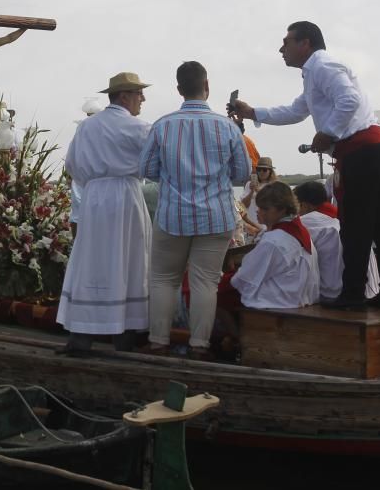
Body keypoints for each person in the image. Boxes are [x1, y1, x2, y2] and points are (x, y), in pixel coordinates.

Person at [230, 21, 380, 310]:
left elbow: (349, 100)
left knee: (356, 225)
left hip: (360, 150)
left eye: (287, 42)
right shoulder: (316, 73)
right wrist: (253, 112)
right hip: (375, 147)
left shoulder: (322, 67)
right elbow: (295, 111)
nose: (281, 49)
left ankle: (353, 295)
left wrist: (328, 132)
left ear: (305, 43)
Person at [140, 61, 251, 360]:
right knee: (205, 282)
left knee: (164, 279)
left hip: (172, 215)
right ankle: (200, 346)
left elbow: (148, 169)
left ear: (179, 89)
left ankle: (159, 342)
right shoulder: (227, 127)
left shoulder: (162, 125)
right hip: (216, 216)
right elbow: (242, 174)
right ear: (207, 86)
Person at [57, 72, 152, 355]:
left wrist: (95, 181)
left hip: (95, 198)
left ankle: (81, 337)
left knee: (92, 260)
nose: (142, 99)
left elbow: (72, 165)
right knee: (129, 259)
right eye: (138, 94)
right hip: (126, 197)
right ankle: (125, 335)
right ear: (124, 96)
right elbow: (154, 163)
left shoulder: (86, 128)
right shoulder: (139, 127)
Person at [230, 182, 320, 309]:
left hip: (281, 302)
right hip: (301, 296)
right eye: (259, 207)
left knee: (218, 296)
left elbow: (242, 279)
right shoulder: (298, 230)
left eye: (265, 208)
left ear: (282, 209)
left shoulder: (274, 240)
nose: (258, 211)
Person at [294, 181, 380, 301]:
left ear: (305, 205)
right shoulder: (339, 218)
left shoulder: (308, 222)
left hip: (335, 294)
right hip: (371, 290)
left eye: (296, 205)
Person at [241, 156, 279, 233]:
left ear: (270, 171)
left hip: (265, 226)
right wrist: (251, 192)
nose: (261, 172)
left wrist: (258, 191)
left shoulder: (274, 186)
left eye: (264, 170)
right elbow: (244, 205)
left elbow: (272, 204)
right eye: (259, 169)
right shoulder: (249, 184)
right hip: (249, 225)